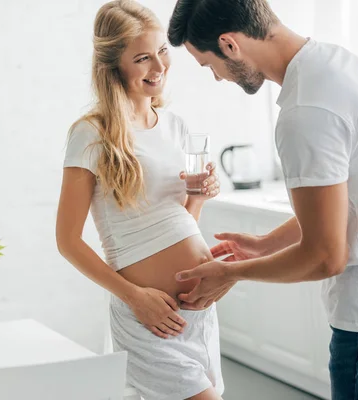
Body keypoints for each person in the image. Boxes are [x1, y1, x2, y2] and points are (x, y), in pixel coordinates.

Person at [167, 1, 358, 398]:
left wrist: (231, 274)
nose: (219, 79)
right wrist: (264, 244)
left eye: (209, 66)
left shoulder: (304, 111)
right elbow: (356, 197)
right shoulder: (344, 66)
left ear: (229, 45)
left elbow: (327, 255)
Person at [55, 1, 225, 399]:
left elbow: (181, 222)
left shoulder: (176, 127)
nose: (159, 66)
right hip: (147, 316)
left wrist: (198, 196)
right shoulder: (91, 134)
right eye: (143, 58)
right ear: (114, 65)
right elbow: (68, 241)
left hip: (198, 315)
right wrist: (134, 297)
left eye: (163, 51)